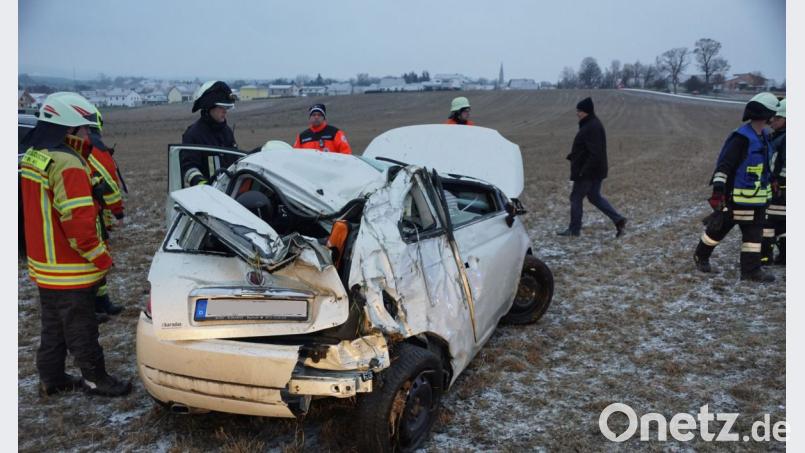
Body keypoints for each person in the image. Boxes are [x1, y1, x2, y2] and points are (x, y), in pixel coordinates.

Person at [19, 92, 131, 397]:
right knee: (82, 327)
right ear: (67, 129)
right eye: (82, 128)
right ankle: (97, 380)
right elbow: (80, 226)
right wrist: (102, 258)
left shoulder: (34, 155)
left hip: (44, 264)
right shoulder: (69, 163)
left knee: (53, 325)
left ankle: (52, 378)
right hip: (70, 266)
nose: (87, 134)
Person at [693, 92, 779, 282]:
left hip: (758, 201)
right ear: (767, 114)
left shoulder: (765, 137)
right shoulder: (741, 138)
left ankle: (750, 271)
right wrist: (718, 190)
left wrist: (772, 180)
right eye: (774, 112)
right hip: (736, 200)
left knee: (753, 239)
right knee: (717, 231)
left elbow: (765, 165)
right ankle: (701, 256)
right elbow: (724, 166)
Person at [64, 107, 125, 317]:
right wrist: (118, 211)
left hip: (93, 211)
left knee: (95, 255)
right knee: (89, 257)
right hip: (86, 214)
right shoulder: (85, 149)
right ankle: (93, 305)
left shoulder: (77, 149)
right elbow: (108, 181)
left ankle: (101, 301)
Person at [557, 97, 627, 238]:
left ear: (587, 111)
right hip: (595, 170)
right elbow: (588, 148)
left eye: (580, 111)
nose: (577, 113)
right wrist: (574, 155)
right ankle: (618, 220)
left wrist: (584, 171)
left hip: (589, 171)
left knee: (576, 197)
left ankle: (574, 230)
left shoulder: (592, 126)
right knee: (594, 197)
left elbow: (595, 153)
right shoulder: (590, 124)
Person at [181, 80, 238, 186]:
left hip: (229, 193)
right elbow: (189, 168)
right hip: (206, 196)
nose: (225, 111)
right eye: (221, 107)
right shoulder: (193, 135)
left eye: (227, 107)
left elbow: (236, 161)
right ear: (208, 107)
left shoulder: (227, 131)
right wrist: (202, 184)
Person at [761, 99, 786, 265]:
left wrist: (778, 181)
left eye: (777, 118)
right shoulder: (777, 136)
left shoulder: (786, 138)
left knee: (769, 221)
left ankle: (765, 257)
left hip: (780, 188)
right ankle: (783, 257)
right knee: (782, 224)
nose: (772, 121)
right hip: (779, 187)